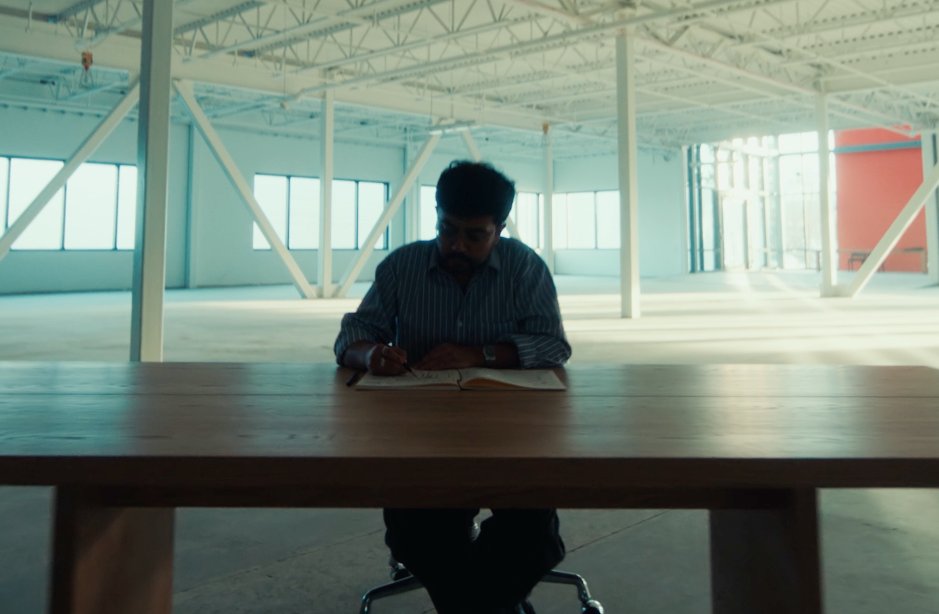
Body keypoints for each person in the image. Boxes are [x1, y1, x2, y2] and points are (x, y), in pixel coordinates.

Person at [334, 160, 571, 614]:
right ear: (437, 216)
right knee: (418, 533)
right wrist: (371, 354)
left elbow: (552, 345)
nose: (457, 245)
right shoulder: (402, 266)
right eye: (447, 229)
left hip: (512, 435)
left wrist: (479, 354)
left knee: (532, 535)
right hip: (419, 438)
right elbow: (354, 333)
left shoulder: (525, 268)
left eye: (475, 235)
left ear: (500, 229)